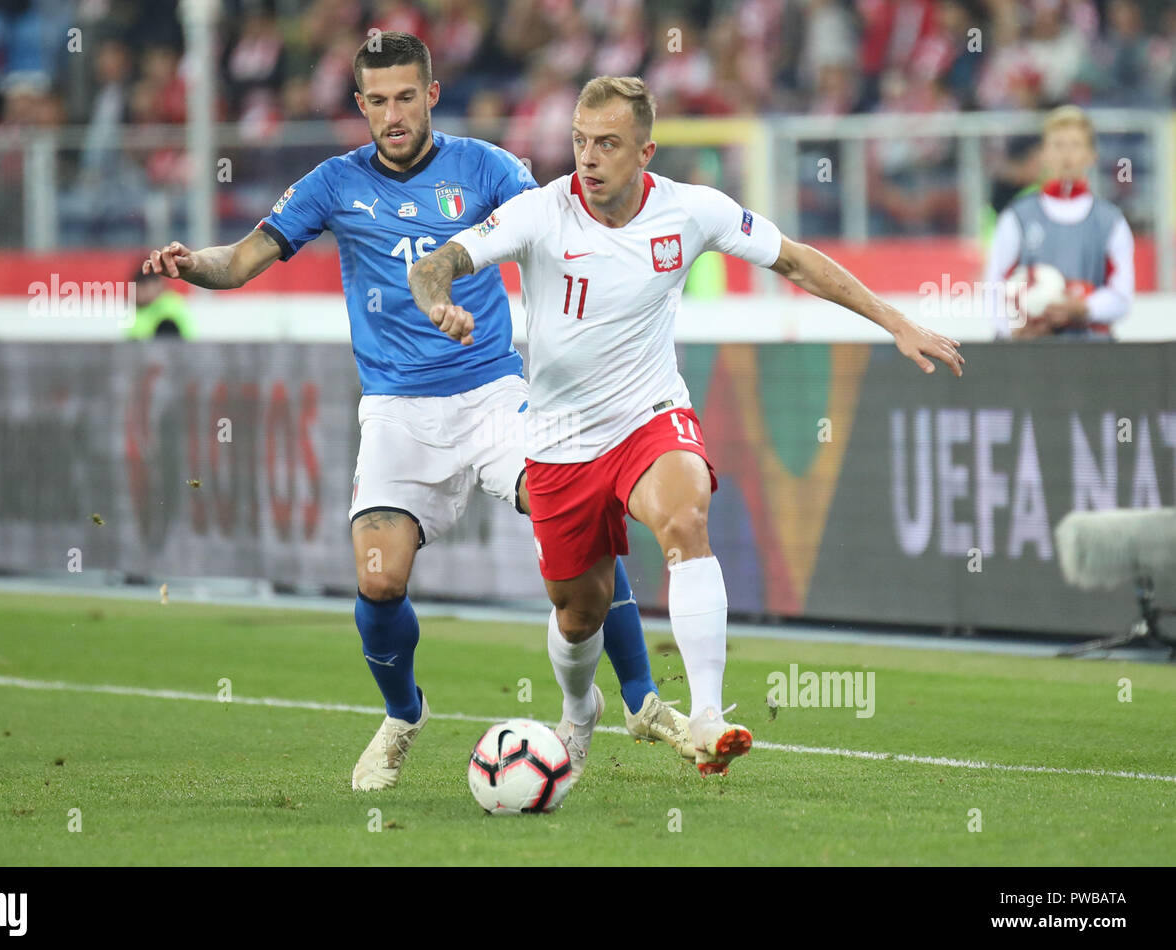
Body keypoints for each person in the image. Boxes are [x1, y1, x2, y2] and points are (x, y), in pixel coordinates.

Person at [141, 35, 692, 791]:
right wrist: (188, 265)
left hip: (495, 393)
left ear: (431, 96)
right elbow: (238, 261)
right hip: (398, 409)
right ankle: (404, 714)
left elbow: (562, 236)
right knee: (378, 580)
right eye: (379, 100)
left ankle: (641, 699)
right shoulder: (333, 184)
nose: (394, 114)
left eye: (407, 96)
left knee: (583, 513)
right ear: (359, 104)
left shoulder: (490, 169)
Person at [410, 75, 964, 777]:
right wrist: (437, 303)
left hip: (648, 415)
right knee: (580, 613)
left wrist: (897, 321)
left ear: (646, 150)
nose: (588, 157)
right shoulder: (538, 213)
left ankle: (708, 715)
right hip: (558, 441)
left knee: (684, 517)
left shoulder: (692, 211)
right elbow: (437, 265)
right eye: (580, 141)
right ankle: (579, 709)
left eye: (607, 143)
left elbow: (796, 259)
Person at [985, 105, 1135, 341]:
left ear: (1091, 155)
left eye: (1075, 145)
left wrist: (1083, 309)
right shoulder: (1016, 216)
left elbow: (1122, 297)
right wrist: (1013, 330)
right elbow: (994, 287)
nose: (1066, 155)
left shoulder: (1111, 221)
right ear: (1043, 154)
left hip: (1092, 352)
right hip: (1031, 352)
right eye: (1058, 145)